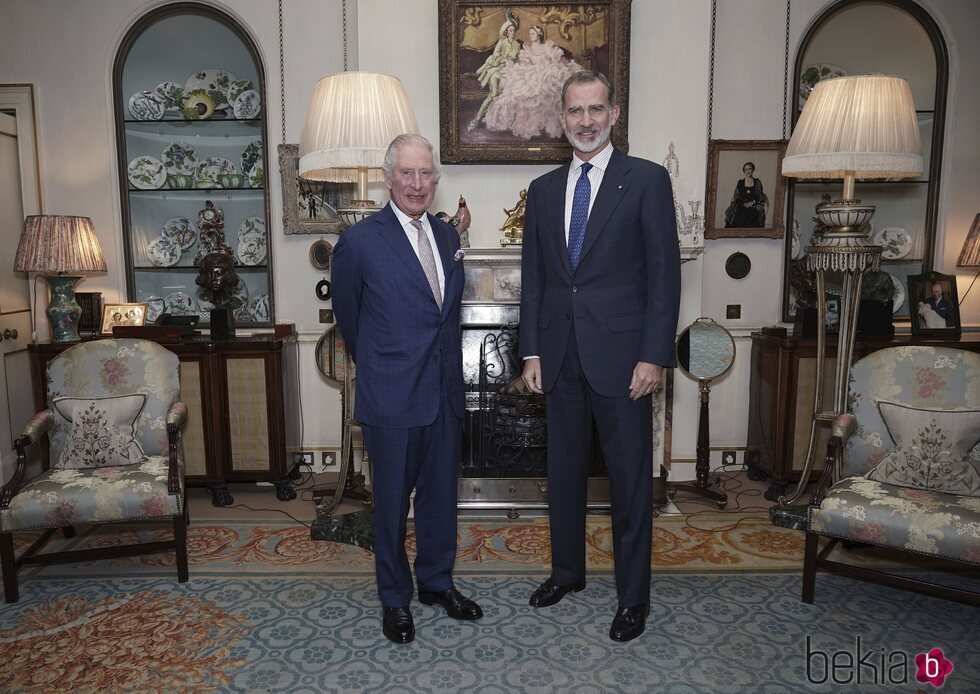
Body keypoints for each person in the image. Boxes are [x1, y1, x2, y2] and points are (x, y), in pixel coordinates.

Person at [520, 70, 681, 643]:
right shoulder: (541, 191)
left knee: (630, 484)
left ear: (614, 114)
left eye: (595, 110)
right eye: (574, 112)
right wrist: (531, 352)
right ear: (561, 120)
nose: (585, 121)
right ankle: (568, 574)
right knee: (561, 476)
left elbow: (664, 279)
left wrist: (654, 355)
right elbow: (535, 279)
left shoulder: (647, 181)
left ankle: (632, 598)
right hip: (559, 358)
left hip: (624, 362)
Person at [331, 133, 480, 645]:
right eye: (408, 174)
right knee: (392, 506)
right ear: (389, 177)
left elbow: (447, 317)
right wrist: (381, 367)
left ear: (436, 182)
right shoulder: (359, 242)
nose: (418, 184)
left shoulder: (445, 239)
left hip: (445, 396)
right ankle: (395, 598)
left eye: (427, 175)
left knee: (441, 501)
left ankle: (436, 583)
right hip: (392, 399)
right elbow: (350, 322)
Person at [484, 25, 582, 140]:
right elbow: (526, 63)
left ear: (539, 34)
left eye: (533, 34)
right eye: (530, 34)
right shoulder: (527, 48)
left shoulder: (546, 46)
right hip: (532, 72)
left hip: (546, 70)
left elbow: (554, 59)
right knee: (520, 89)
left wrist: (547, 60)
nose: (531, 36)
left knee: (547, 84)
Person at [468, 16, 522, 132]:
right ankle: (476, 119)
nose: (512, 33)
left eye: (513, 30)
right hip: (497, 71)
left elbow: (517, 60)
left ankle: (501, 120)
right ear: (506, 32)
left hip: (511, 71)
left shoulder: (517, 45)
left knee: (511, 94)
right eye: (510, 31)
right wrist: (504, 60)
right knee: (494, 94)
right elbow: (494, 57)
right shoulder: (502, 43)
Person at [723, 161, 767, 228]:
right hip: (742, 204)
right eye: (746, 169)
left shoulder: (757, 182)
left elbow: (759, 195)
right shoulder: (740, 182)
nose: (748, 171)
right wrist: (744, 204)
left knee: (754, 213)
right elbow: (737, 196)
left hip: (754, 204)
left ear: (753, 170)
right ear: (744, 171)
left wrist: (752, 202)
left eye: (750, 169)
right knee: (738, 212)